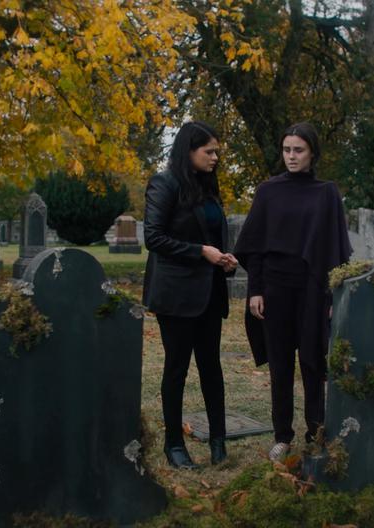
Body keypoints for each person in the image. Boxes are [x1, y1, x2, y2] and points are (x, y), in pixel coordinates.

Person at [233, 122, 352, 462]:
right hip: (275, 288)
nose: (291, 156)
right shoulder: (268, 191)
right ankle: (282, 435)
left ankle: (316, 432)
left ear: (312, 152)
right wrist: (255, 290)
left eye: (298, 150)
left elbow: (336, 250)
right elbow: (254, 247)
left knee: (313, 362)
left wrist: (332, 298)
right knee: (281, 366)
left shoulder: (326, 193)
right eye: (287, 150)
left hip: (312, 289)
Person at [142, 121, 238, 469]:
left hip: (210, 292)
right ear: (189, 151)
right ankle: (173, 445)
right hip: (176, 294)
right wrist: (202, 252)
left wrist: (224, 258)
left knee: (211, 367)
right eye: (208, 151)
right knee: (177, 368)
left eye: (216, 151)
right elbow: (153, 238)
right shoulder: (164, 184)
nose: (215, 157)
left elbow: (214, 233)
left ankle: (218, 441)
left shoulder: (208, 187)